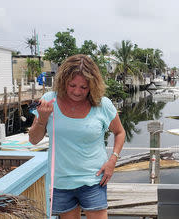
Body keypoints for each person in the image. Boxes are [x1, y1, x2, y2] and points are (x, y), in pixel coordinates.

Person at [29, 54, 125, 219]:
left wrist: (112, 160)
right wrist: (42, 119)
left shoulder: (102, 104)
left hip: (94, 180)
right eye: (72, 85)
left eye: (84, 87)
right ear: (63, 81)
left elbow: (120, 132)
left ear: (93, 85)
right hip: (61, 182)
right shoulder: (48, 101)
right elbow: (34, 139)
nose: (77, 91)